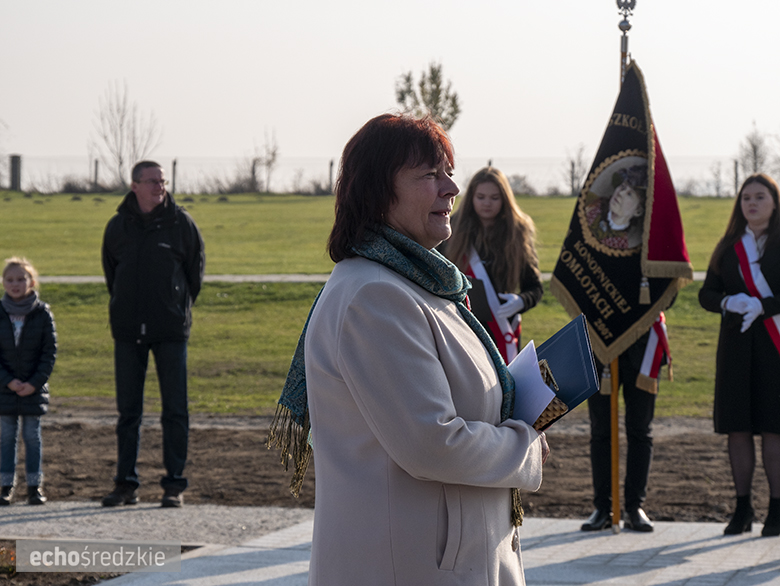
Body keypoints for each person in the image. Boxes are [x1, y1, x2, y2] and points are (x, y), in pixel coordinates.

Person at [268, 113, 549, 585]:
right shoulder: (375, 296)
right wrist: (527, 445)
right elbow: (432, 444)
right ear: (378, 191)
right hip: (405, 566)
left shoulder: (419, 284)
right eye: (430, 175)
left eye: (449, 173)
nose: (452, 189)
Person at [101, 160, 205, 508]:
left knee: (175, 410)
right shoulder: (117, 227)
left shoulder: (181, 224)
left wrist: (174, 307)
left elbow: (194, 275)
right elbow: (112, 276)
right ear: (135, 186)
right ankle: (125, 485)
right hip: (128, 331)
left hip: (170, 330)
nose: (160, 187)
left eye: (162, 181)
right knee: (128, 413)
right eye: (152, 181)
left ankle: (174, 485)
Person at [699, 173, 780, 537]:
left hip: (775, 348)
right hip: (736, 349)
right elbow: (706, 294)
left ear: (774, 202)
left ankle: (777, 509)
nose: (752, 203)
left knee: (774, 429)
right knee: (739, 428)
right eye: (746, 197)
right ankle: (743, 507)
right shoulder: (729, 246)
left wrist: (765, 306)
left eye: (760, 197)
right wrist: (728, 301)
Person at [442, 166, 543, 363]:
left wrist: (521, 301)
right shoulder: (451, 228)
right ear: (471, 197)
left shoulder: (518, 231)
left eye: (494, 198)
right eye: (481, 197)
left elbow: (535, 288)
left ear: (505, 199)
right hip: (463, 326)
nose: (487, 203)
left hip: (503, 329)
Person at [580, 323, 669, 533]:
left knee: (640, 431)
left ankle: (635, 507)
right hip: (602, 344)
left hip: (643, 346)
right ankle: (603, 508)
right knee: (600, 431)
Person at [0, 257, 57, 506]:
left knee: (32, 437)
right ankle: (6, 486)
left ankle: (35, 487)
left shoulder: (42, 313)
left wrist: (34, 383)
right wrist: (8, 381)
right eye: (10, 279)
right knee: (6, 438)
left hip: (33, 390)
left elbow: (49, 353)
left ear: (31, 282)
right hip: (5, 390)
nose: (15, 284)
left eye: (21, 279)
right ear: (3, 283)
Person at [584, 164, 647, 250]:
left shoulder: (622, 246)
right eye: (623, 187)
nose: (621, 193)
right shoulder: (591, 202)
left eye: (629, 194)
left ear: (638, 210)